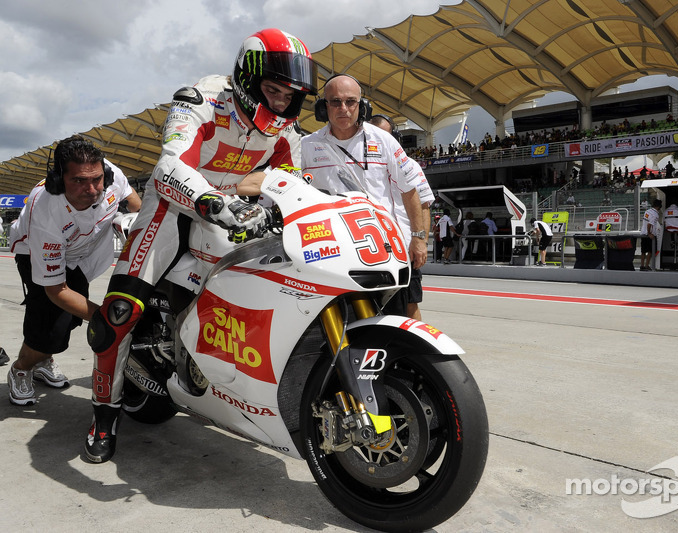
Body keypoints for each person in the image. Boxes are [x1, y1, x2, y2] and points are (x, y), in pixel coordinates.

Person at [82, 28, 318, 463]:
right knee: (118, 315)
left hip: (232, 213)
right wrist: (210, 200)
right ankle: (103, 416)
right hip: (173, 205)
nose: (281, 103)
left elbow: (293, 184)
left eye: (290, 96)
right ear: (246, 81)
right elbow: (170, 163)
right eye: (272, 91)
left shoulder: (288, 131)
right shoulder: (201, 100)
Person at [5, 135, 141, 406]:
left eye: (96, 179)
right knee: (49, 328)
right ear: (58, 179)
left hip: (81, 253)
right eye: (78, 180)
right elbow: (56, 291)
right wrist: (105, 319)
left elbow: (137, 204)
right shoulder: (45, 210)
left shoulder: (109, 175)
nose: (91, 189)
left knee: (71, 319)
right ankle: (21, 368)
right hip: (35, 253)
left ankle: (43, 360)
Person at [300, 74, 428, 315]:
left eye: (351, 102)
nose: (344, 109)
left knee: (398, 317)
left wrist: (418, 238)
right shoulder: (307, 146)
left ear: (363, 106)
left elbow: (410, 190)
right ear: (322, 107)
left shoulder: (384, 141)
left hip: (384, 250)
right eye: (335, 102)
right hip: (334, 253)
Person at [368, 113, 434, 320]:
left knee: (409, 305)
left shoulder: (411, 166)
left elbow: (424, 206)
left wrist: (421, 241)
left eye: (385, 135)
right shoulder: (364, 166)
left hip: (405, 247)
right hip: (372, 247)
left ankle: (416, 349)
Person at [639, 198, 662, 271]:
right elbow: (649, 224)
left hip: (643, 233)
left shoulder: (647, 211)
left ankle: (642, 265)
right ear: (658, 207)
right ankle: (646, 266)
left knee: (643, 251)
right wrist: (649, 233)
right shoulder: (655, 214)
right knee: (650, 251)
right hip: (649, 234)